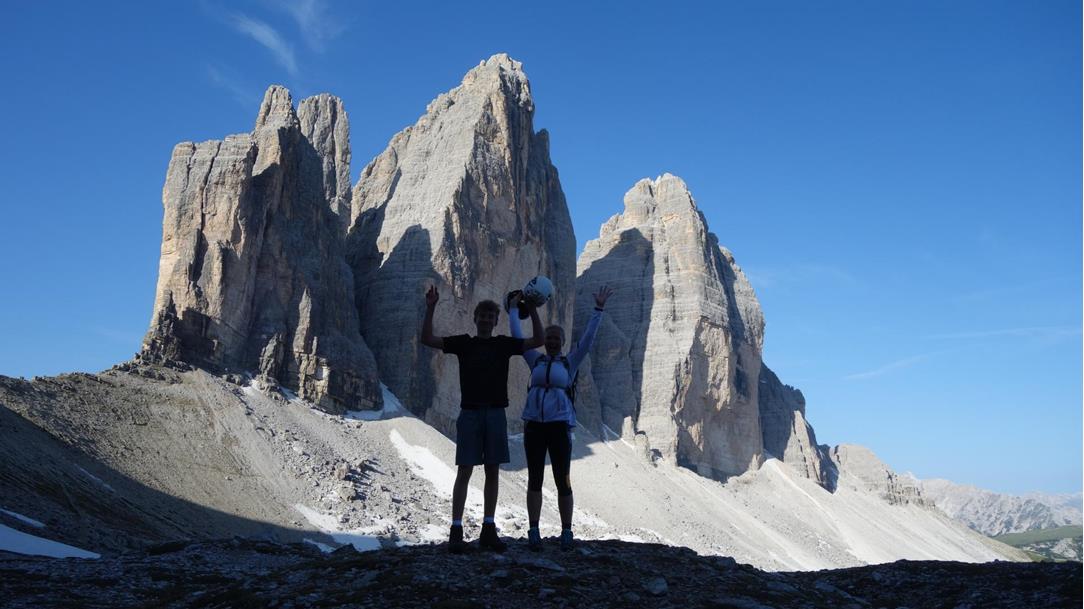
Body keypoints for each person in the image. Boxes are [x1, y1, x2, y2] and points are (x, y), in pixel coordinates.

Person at [421, 285, 543, 553]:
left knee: (492, 470)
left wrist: (532, 309)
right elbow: (427, 339)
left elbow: (538, 340)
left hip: (496, 412)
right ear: (475, 319)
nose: (486, 320)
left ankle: (488, 528)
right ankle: (456, 530)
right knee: (465, 469)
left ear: (496, 321)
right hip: (470, 412)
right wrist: (430, 307)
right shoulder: (464, 343)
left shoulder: (503, 344)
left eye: (491, 316)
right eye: (483, 316)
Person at [510, 285, 612, 551]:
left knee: (562, 479)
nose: (553, 341)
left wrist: (598, 309)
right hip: (534, 426)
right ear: (544, 340)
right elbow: (518, 338)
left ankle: (567, 531)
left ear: (563, 341)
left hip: (559, 428)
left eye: (556, 338)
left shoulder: (570, 362)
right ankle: (534, 530)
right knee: (534, 478)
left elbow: (588, 340)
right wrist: (513, 311)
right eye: (549, 338)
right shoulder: (535, 359)